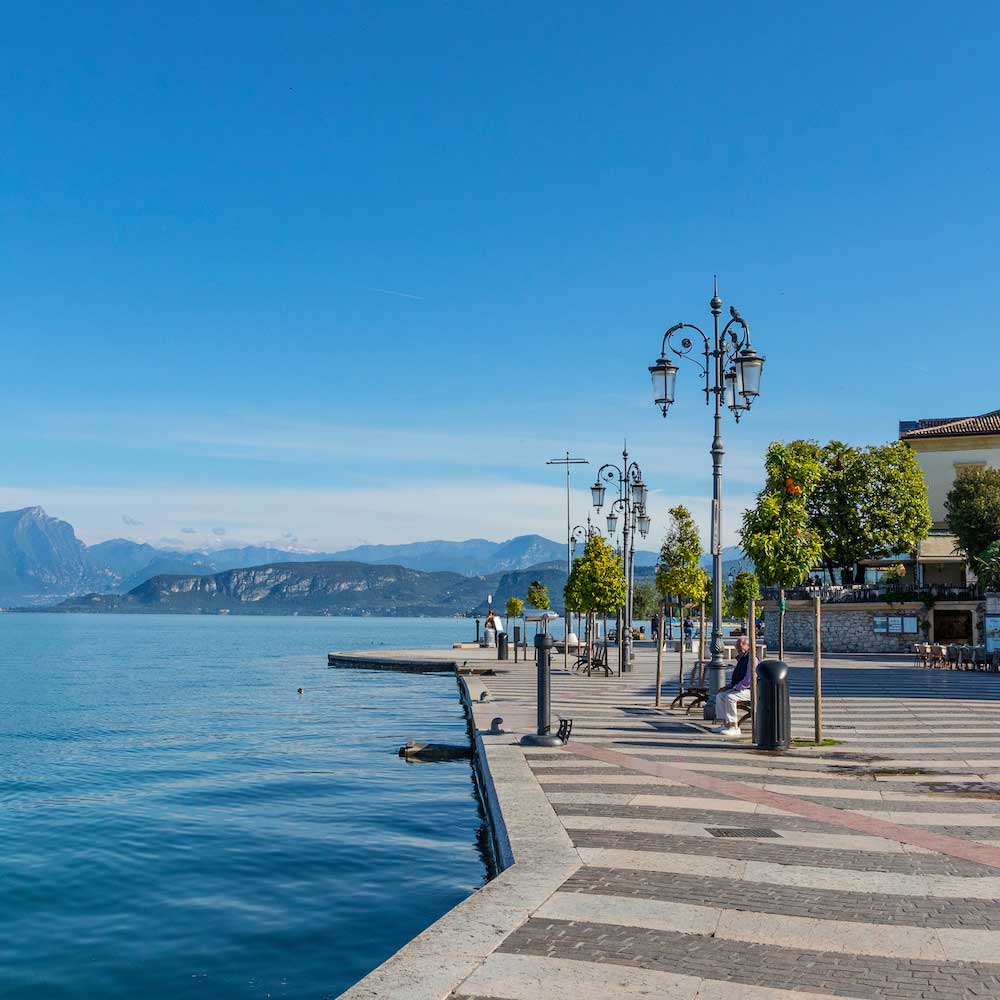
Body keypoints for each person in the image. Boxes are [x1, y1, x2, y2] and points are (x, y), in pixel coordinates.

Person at [712, 636, 751, 737]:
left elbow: (749, 679)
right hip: (740, 688)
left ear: (748, 646)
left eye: (741, 644)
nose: (738, 647)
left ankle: (734, 727)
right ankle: (725, 724)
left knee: (730, 697)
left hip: (750, 690)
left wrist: (736, 688)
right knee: (720, 695)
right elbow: (737, 679)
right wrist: (728, 687)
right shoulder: (742, 659)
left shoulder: (751, 659)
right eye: (737, 645)